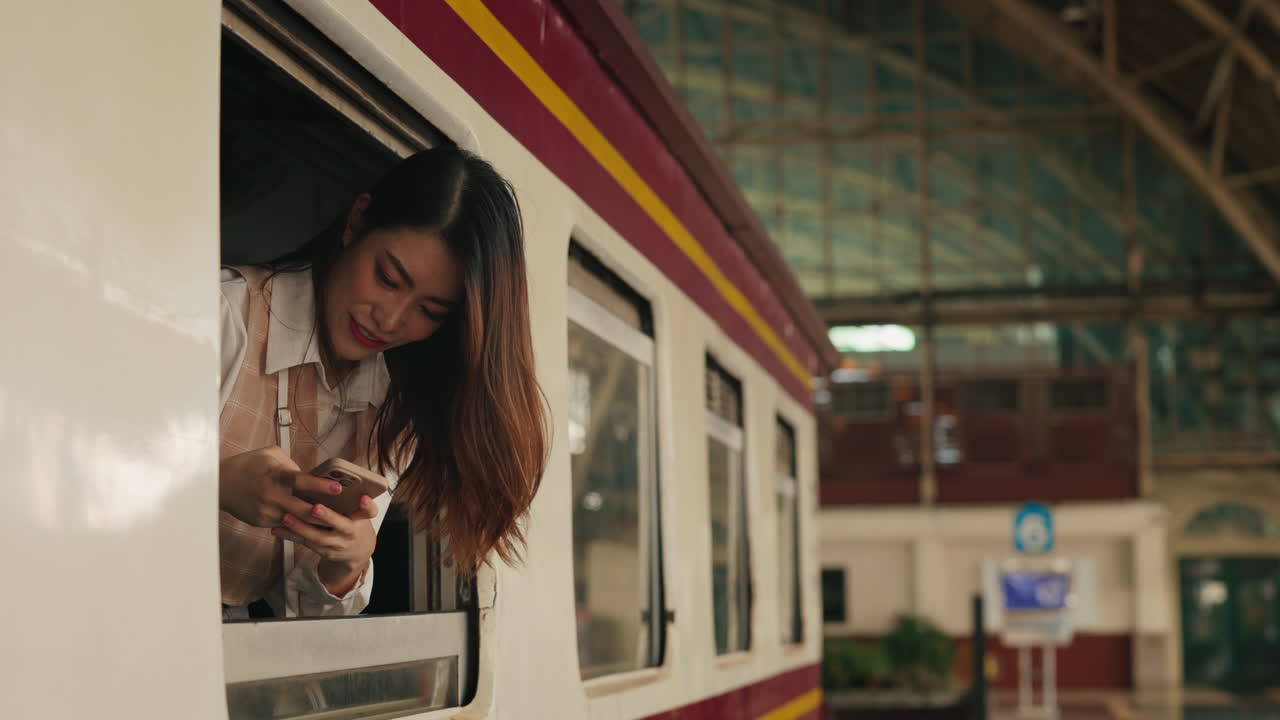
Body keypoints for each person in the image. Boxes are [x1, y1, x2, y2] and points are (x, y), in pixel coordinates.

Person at [217, 145, 548, 618]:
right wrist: (215, 483)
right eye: (388, 278)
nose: (390, 320)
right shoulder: (224, 319)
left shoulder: (393, 414)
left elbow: (300, 615)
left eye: (430, 311)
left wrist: (345, 565)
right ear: (356, 222)